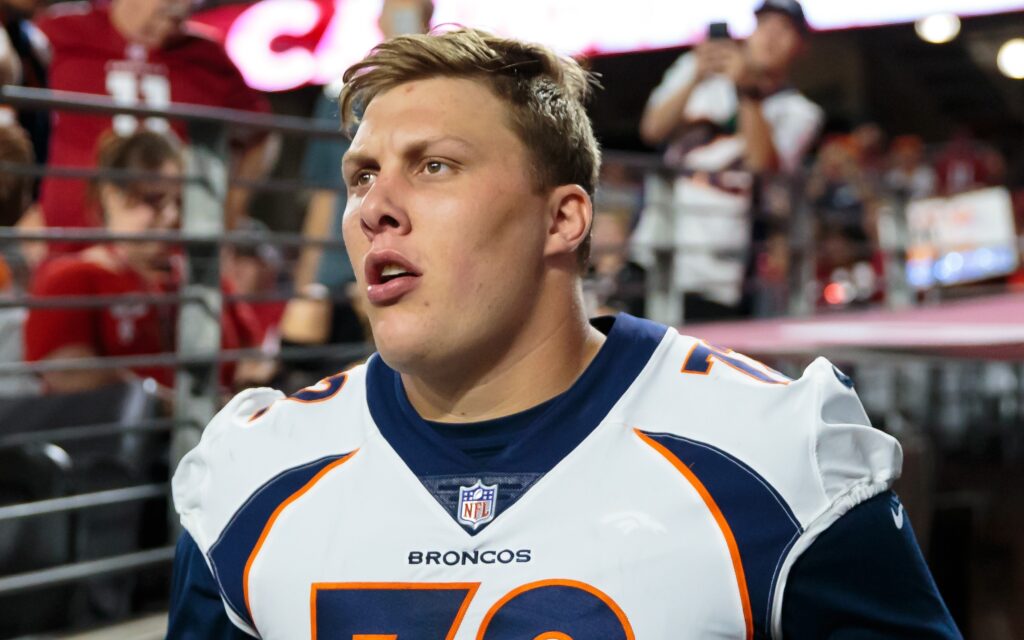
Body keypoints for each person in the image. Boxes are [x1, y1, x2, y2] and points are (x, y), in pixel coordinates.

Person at [168, 28, 959, 639]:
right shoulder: (251, 473)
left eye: (434, 166)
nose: (375, 205)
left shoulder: (771, 455)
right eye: (362, 174)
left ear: (563, 217)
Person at [24, 130, 259, 395]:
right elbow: (68, 374)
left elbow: (252, 358)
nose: (172, 215)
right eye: (154, 200)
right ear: (113, 196)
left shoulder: (203, 276)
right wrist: (167, 405)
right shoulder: (71, 278)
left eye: (180, 202)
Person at [34, 0, 275, 249]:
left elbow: (259, 134)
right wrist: (28, 203)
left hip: (165, 255)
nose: (182, 8)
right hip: (66, 243)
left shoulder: (207, 56)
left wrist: (230, 212)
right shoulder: (60, 31)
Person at [637, 0, 823, 320]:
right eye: (764, 25)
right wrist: (696, 75)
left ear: (801, 47)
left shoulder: (801, 112)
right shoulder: (695, 68)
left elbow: (762, 166)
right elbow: (652, 130)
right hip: (656, 248)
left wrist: (746, 90)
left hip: (720, 271)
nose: (771, 37)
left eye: (784, 30)